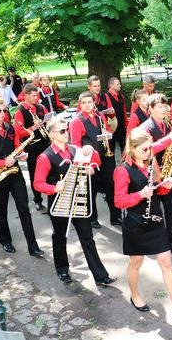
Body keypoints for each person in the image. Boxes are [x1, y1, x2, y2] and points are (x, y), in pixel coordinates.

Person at [114, 127, 172, 318]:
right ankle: (134, 295)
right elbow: (119, 201)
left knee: (166, 261)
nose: (148, 152)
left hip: (155, 218)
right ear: (132, 148)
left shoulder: (152, 163)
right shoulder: (122, 171)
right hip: (135, 222)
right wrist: (139, 195)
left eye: (149, 148)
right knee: (136, 262)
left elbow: (159, 191)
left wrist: (166, 186)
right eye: (144, 149)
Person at [33, 116, 115, 285]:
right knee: (60, 236)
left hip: (78, 200)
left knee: (87, 237)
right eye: (62, 131)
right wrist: (54, 188)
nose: (66, 133)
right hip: (59, 203)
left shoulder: (74, 149)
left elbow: (95, 161)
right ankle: (62, 269)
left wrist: (91, 161)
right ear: (52, 134)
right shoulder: (45, 157)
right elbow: (37, 183)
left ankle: (100, 275)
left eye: (67, 129)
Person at [0, 97, 44, 256]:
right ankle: (5, 240)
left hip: (15, 173)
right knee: (1, 210)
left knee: (24, 209)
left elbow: (16, 148)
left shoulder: (11, 128)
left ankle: (33, 246)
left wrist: (22, 155)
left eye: (4, 110)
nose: (3, 113)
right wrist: (2, 163)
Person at [69, 91, 121, 228]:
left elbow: (107, 130)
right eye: (84, 103)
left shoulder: (100, 116)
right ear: (80, 104)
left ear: (94, 103)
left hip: (105, 157)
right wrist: (86, 164)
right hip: (89, 162)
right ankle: (92, 218)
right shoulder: (76, 121)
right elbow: (75, 145)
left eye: (89, 102)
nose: (87, 105)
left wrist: (107, 134)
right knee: (90, 190)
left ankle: (116, 217)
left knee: (111, 187)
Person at [141, 94, 172, 255]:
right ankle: (156, 242)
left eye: (164, 106)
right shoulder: (145, 128)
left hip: (167, 173)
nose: (163, 109)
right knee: (154, 211)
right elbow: (148, 149)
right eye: (159, 106)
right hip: (151, 174)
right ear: (150, 109)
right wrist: (170, 138)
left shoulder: (167, 125)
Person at [13, 84, 50, 211]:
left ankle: (53, 195)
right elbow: (18, 132)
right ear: (26, 95)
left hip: (45, 144)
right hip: (32, 146)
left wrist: (48, 123)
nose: (36, 98)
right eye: (33, 96)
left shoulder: (41, 107)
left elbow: (49, 121)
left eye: (37, 95)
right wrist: (33, 128)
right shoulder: (20, 111)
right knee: (34, 174)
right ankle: (37, 199)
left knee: (51, 171)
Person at [106, 77, 128, 153]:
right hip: (111, 127)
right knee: (111, 149)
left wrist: (126, 123)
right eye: (118, 84)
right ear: (111, 85)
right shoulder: (106, 96)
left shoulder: (121, 96)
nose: (120, 85)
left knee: (125, 148)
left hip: (121, 127)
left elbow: (124, 110)